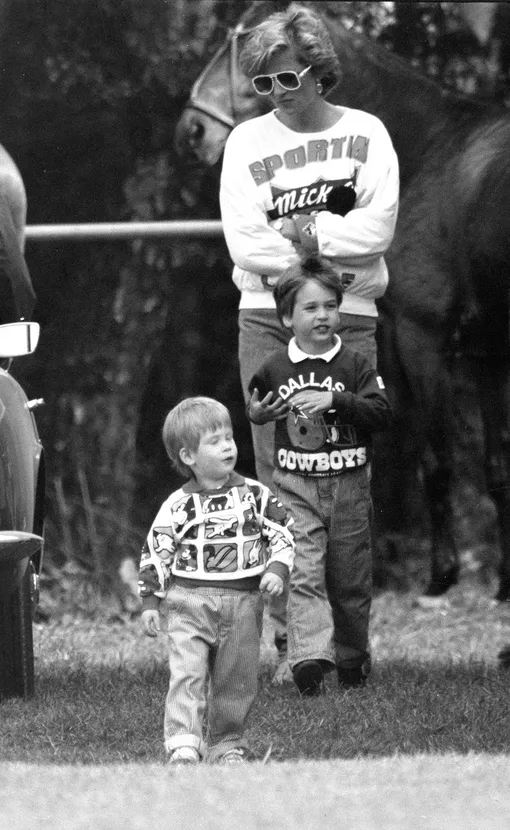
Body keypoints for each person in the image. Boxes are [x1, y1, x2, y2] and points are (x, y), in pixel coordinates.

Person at [219, 2, 399, 680]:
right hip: (265, 319)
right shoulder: (246, 145)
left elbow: (376, 232)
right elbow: (245, 241)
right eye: (261, 85)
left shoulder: (368, 135)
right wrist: (325, 247)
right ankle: (298, 644)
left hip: (349, 318)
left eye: (286, 79)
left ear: (319, 72)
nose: (274, 96)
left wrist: (302, 243)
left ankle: (350, 644)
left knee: (347, 475)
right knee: (279, 475)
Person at [248, 257, 391, 696]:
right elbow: (256, 406)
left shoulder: (355, 365)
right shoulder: (275, 366)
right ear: (287, 316)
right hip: (295, 487)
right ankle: (307, 658)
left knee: (349, 579)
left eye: (330, 306)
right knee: (303, 572)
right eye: (310, 308)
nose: (323, 316)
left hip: (348, 486)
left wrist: (337, 400)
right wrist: (257, 414)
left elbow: (382, 412)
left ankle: (351, 659)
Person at [138, 396, 294, 764]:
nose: (228, 445)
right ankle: (184, 744)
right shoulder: (176, 505)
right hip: (188, 601)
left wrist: (277, 568)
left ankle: (227, 744)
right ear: (188, 456)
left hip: (243, 602)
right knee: (187, 673)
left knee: (236, 679)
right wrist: (150, 601)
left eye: (229, 437)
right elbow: (156, 551)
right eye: (215, 441)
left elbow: (284, 531)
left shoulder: (256, 495)